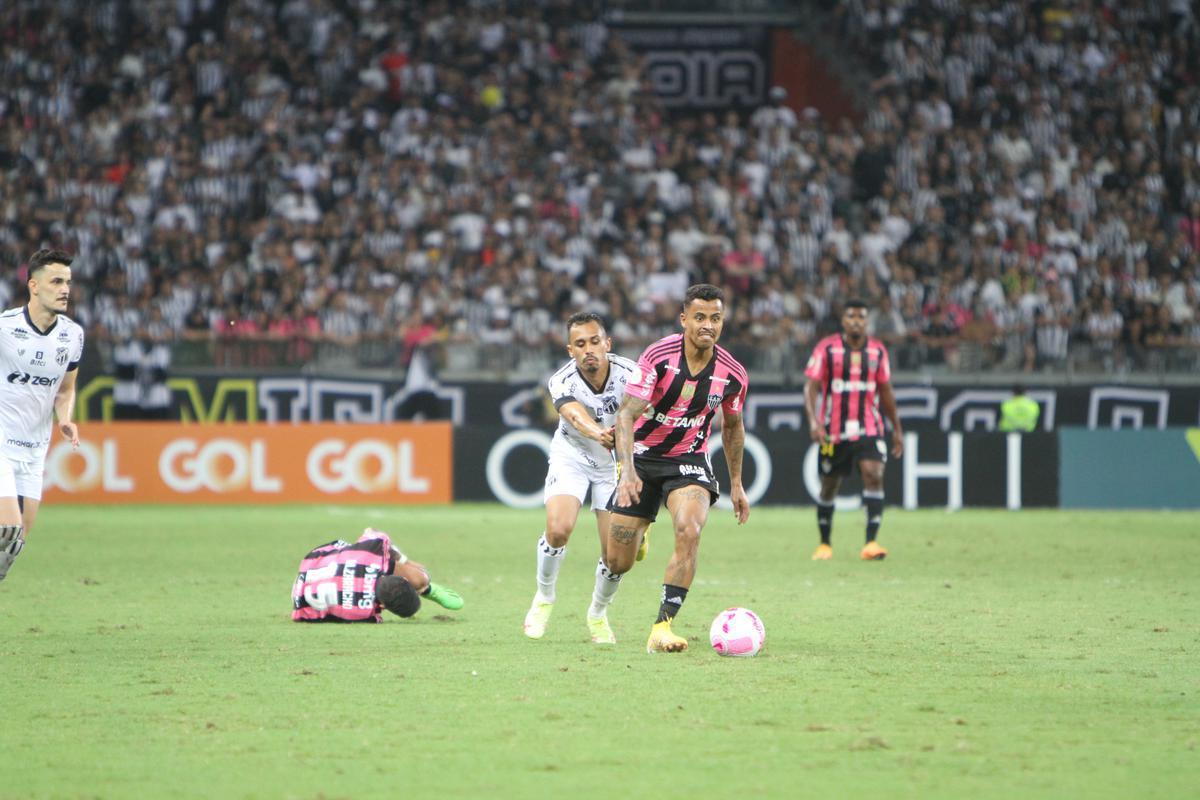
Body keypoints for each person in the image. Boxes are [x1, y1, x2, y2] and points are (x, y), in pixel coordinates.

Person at [606, 284, 750, 654]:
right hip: (642, 458)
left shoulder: (733, 374)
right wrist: (628, 470)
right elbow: (625, 414)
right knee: (617, 561)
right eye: (699, 317)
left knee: (690, 529)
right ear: (684, 319)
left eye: (715, 318)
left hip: (688, 462)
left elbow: (733, 426)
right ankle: (642, 529)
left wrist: (736, 483)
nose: (708, 325)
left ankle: (663, 624)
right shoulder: (658, 357)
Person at [523, 312, 639, 644]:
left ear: (608, 344)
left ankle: (598, 614)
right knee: (559, 528)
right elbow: (572, 414)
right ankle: (544, 598)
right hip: (572, 454)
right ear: (570, 350)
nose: (589, 349)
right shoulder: (561, 379)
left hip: (614, 466)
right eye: (580, 344)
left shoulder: (631, 374)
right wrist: (598, 432)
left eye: (594, 341)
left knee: (616, 558)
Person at [0, 249, 85, 583]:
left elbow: (65, 390)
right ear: (33, 286)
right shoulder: (5, 328)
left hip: (34, 449)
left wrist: (65, 418)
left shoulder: (72, 335)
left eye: (67, 282)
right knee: (9, 526)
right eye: (56, 281)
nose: (65, 289)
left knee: (14, 546)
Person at [804, 299, 904, 562]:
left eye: (861, 317)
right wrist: (814, 422)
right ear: (843, 321)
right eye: (852, 316)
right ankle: (824, 544)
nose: (857, 321)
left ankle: (871, 542)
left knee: (873, 473)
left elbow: (886, 392)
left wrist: (897, 429)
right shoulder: (827, 349)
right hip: (832, 431)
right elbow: (811, 387)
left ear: (867, 321)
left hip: (869, 427)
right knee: (829, 485)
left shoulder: (878, 352)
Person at [292, 527, 463, 622]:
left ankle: (424, 584)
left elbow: (371, 530)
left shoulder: (371, 554)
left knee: (418, 577)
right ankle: (426, 588)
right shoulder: (364, 613)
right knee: (419, 579)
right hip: (299, 600)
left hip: (313, 560)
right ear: (383, 607)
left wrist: (403, 561)